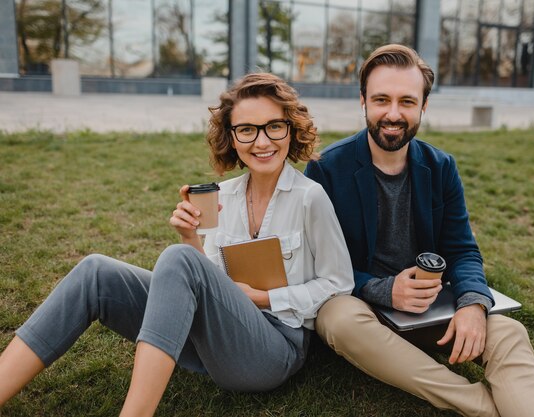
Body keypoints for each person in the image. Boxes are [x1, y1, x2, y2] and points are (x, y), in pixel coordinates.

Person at [0, 73, 353, 415]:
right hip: (214, 344)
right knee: (97, 271)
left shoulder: (310, 198)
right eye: (247, 130)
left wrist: (263, 298)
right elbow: (209, 284)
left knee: (179, 259)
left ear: (291, 129)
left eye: (274, 126)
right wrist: (189, 238)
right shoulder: (223, 197)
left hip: (274, 350)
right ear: (231, 137)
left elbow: (338, 284)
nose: (262, 142)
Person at [304, 44, 534, 417]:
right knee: (336, 318)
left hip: (429, 310)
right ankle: (477, 404)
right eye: (381, 100)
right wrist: (385, 290)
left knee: (509, 333)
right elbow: (317, 266)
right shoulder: (327, 169)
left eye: (407, 101)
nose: (393, 114)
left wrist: (473, 303)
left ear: (423, 106)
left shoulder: (441, 166)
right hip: (362, 312)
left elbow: (462, 249)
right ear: (363, 102)